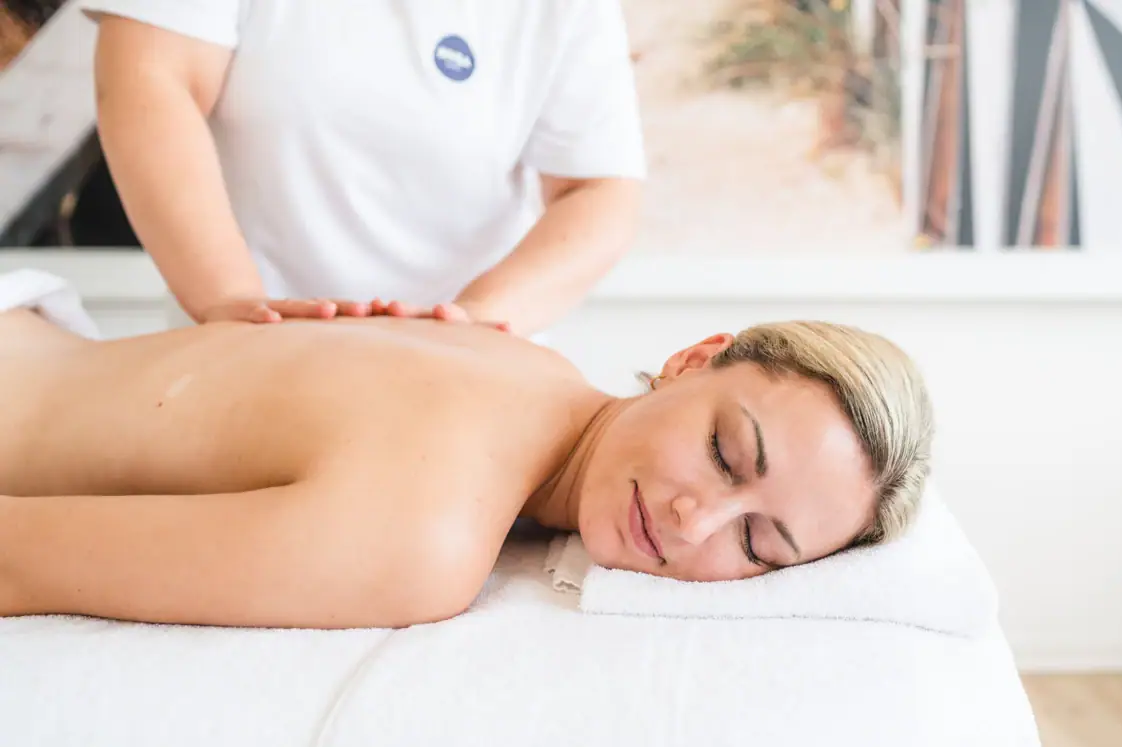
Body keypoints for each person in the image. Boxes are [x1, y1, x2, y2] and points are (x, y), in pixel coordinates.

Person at [0, 301, 934, 630]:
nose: (695, 520)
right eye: (727, 454)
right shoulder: (428, 540)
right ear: (694, 357)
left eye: (759, 544)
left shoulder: (514, 353)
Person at [80, 0, 646, 336]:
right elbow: (149, 79)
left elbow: (598, 188)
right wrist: (233, 308)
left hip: (461, 387)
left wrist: (475, 322)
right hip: (238, 370)